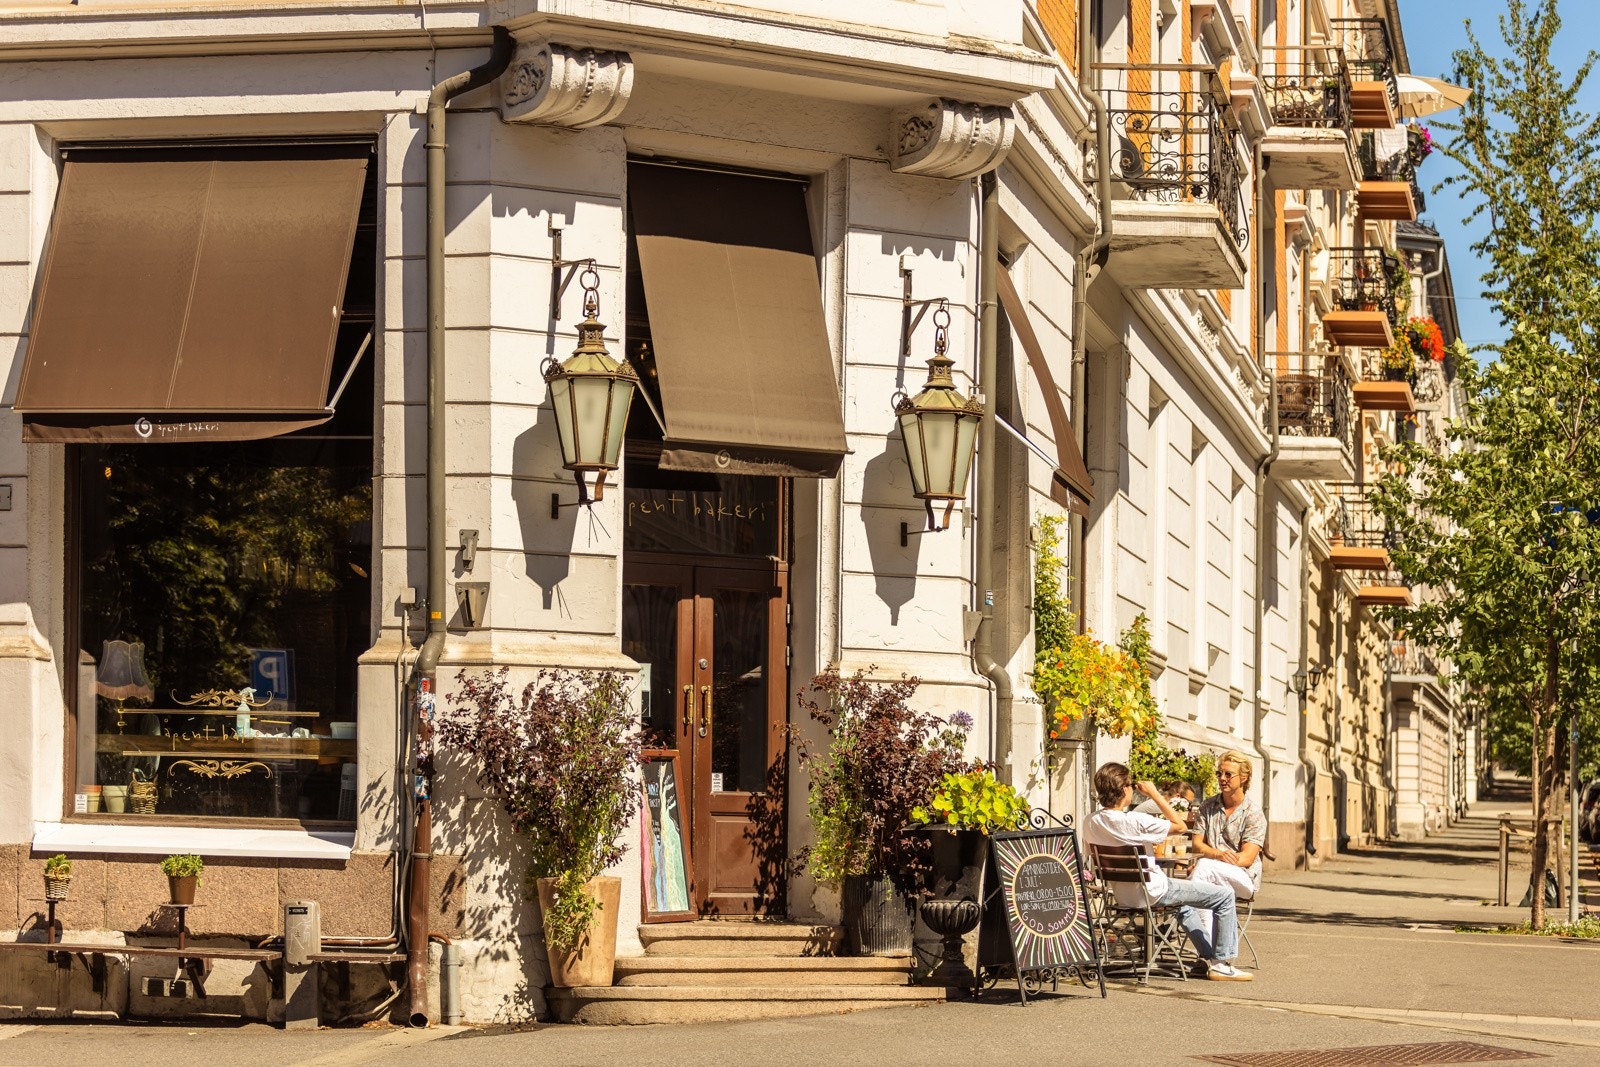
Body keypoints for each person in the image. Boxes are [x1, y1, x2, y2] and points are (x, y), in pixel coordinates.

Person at [1084, 761, 1253, 981]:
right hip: (1154, 891)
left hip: (1123, 895)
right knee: (1224, 896)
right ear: (1125, 790)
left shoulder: (1090, 821)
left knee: (1184, 908)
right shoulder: (1135, 820)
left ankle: (1209, 958)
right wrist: (1155, 794)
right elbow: (1180, 826)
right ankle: (1222, 963)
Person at [1188, 750, 1267, 902]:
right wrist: (1218, 855)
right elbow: (1197, 845)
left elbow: (1246, 858)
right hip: (1209, 873)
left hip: (1242, 877)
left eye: (1228, 774)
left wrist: (1210, 862)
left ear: (1243, 778)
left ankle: (1193, 923)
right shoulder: (1207, 806)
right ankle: (1202, 927)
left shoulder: (1253, 813)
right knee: (1205, 880)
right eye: (1219, 774)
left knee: (1203, 868)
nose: (1222, 778)